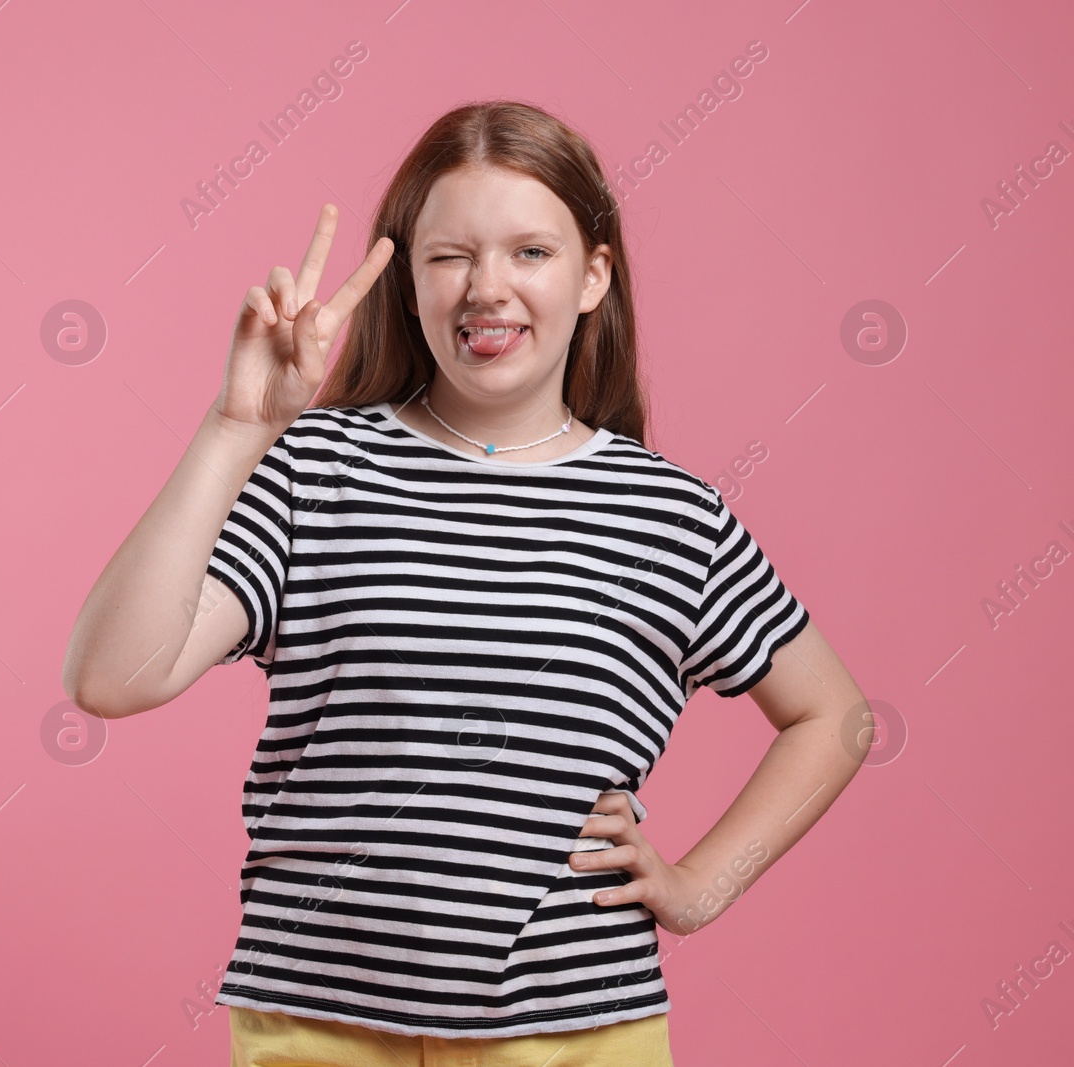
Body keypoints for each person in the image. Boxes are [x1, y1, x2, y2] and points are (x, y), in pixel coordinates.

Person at [62, 99, 868, 1066]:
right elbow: (112, 677)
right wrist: (238, 428)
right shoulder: (319, 470)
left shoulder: (671, 516)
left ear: (593, 278)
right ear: (406, 283)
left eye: (531, 252)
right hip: (318, 1024)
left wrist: (699, 886)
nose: (488, 289)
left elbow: (835, 717)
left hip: (579, 1032)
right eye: (451, 256)